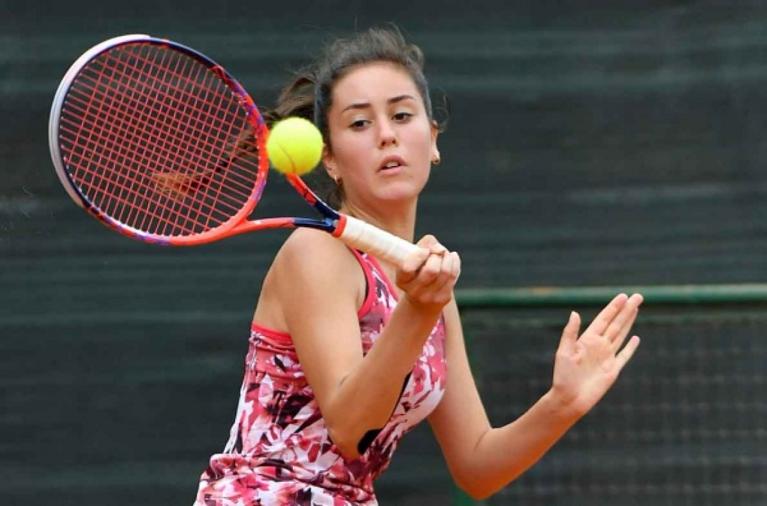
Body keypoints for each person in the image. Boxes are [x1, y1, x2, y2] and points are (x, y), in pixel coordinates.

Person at [193, 26, 642, 506]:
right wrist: (418, 309)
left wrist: (561, 404)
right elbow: (349, 426)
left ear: (432, 140)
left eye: (402, 115)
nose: (386, 135)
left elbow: (476, 467)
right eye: (359, 123)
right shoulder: (316, 253)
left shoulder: (434, 298)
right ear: (331, 160)